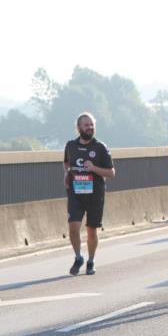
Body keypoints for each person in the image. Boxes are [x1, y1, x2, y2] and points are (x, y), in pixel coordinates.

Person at [63, 112, 115, 276]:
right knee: (73, 227)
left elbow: (111, 172)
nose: (90, 128)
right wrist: (66, 173)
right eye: (86, 125)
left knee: (91, 230)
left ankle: (91, 261)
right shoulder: (70, 146)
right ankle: (78, 257)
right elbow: (66, 163)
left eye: (92, 125)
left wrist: (93, 168)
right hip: (75, 193)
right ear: (78, 127)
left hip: (95, 195)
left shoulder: (100, 147)